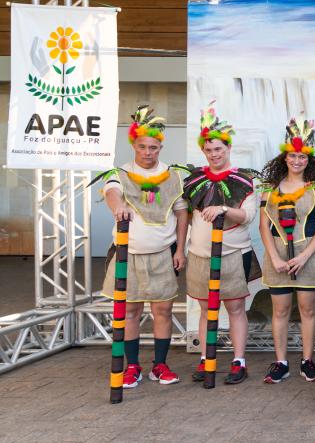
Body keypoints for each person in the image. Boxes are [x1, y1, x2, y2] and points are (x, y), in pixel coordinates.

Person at [95, 106, 188, 388]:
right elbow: (111, 191)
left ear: (160, 147)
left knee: (164, 311)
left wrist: (180, 249)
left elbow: (182, 213)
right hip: (129, 255)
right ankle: (132, 366)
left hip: (162, 254)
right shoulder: (120, 173)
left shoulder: (172, 176)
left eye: (153, 147)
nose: (148, 152)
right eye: (142, 147)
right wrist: (118, 206)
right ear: (134, 145)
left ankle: (160, 365)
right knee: (130, 313)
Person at [183, 102, 261, 385]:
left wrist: (224, 209)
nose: (214, 154)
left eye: (219, 149)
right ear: (203, 151)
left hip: (234, 254)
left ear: (228, 148)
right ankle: (206, 358)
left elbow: (248, 216)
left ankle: (239, 361)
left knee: (236, 308)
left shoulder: (245, 180)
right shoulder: (194, 181)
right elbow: (186, 216)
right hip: (200, 254)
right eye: (209, 150)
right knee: (206, 309)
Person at [258, 117, 315, 384]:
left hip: (308, 255)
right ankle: (281, 363)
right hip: (277, 255)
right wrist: (275, 257)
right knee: (280, 311)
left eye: (302, 156)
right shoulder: (269, 189)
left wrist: (304, 256)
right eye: (292, 155)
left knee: (307, 309)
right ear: (285, 157)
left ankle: (307, 361)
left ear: (309, 159)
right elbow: (264, 226)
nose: (297, 161)